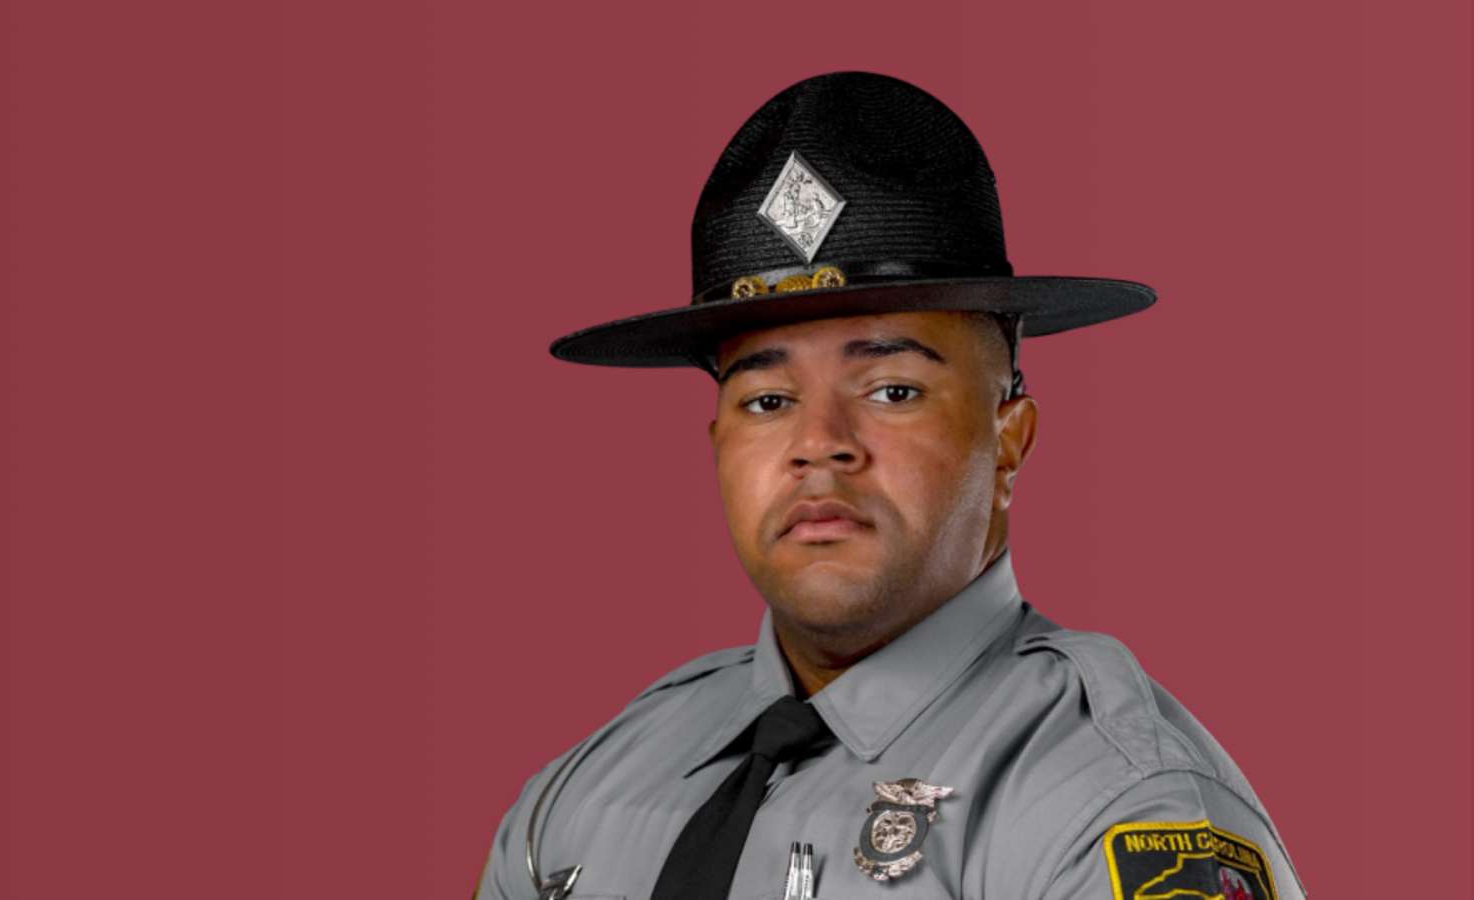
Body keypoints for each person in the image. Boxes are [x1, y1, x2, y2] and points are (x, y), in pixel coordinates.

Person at [477, 72, 1304, 900]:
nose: (819, 446)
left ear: (1007, 439)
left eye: (891, 392)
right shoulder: (586, 793)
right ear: (719, 443)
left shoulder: (1108, 807)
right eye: (767, 400)